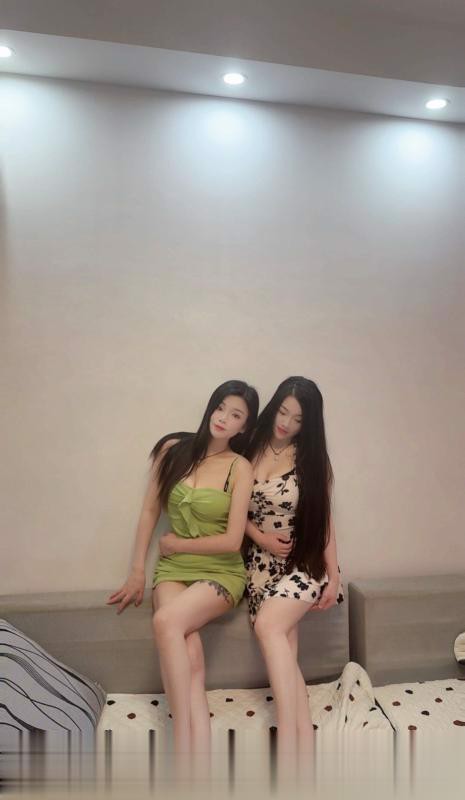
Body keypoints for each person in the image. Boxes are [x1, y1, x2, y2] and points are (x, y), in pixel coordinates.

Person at [107, 380, 258, 756]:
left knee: (165, 622)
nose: (223, 418)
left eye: (235, 415)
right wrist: (137, 571)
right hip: (173, 569)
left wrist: (177, 544)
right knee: (190, 652)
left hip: (221, 571)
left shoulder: (239, 467)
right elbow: (149, 511)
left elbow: (232, 541)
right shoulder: (173, 450)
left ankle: (181, 743)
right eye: (220, 407)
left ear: (244, 427)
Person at [241, 376, 344, 756]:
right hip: (259, 566)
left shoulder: (311, 458)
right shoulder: (249, 447)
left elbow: (325, 519)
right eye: (282, 412)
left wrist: (334, 575)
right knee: (285, 653)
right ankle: (303, 749)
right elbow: (232, 511)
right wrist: (260, 537)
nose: (285, 423)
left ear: (308, 423)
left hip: (302, 564)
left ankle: (286, 741)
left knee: (268, 627)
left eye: (297, 419)